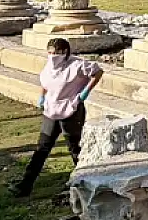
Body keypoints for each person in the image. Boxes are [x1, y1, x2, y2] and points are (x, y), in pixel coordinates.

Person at [11, 37, 102, 197]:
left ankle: (87, 184)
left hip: (70, 111)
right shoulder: (49, 66)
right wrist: (42, 97)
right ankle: (25, 185)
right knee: (42, 148)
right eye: (50, 52)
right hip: (51, 111)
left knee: (75, 149)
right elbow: (45, 83)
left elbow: (97, 72)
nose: (53, 56)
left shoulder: (76, 65)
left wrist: (84, 93)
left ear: (65, 52)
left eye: (57, 53)